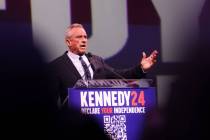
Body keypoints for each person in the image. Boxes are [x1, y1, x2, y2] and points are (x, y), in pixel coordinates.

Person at [49, 23, 158, 108]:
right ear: (68, 42)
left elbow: (121, 76)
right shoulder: (57, 66)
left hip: (97, 121)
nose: (84, 40)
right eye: (79, 37)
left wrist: (141, 68)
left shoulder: (96, 61)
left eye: (85, 37)